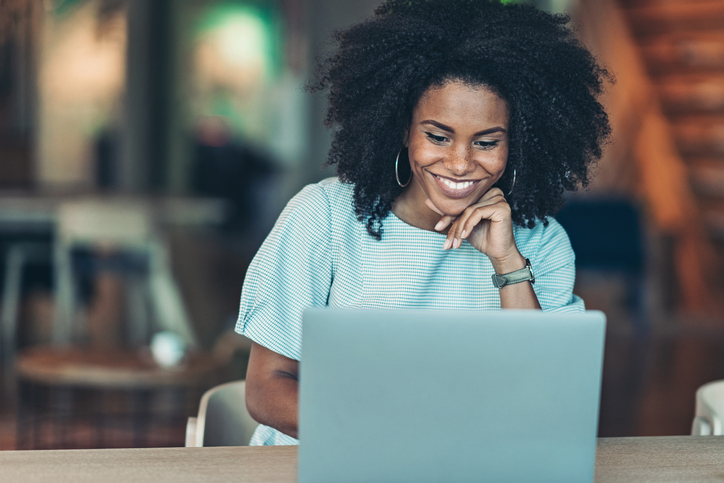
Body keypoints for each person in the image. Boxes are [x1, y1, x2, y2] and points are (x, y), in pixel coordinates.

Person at [236, 0, 611, 446]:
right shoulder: (325, 216)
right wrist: (401, 440)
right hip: (336, 458)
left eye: (486, 142)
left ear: (518, 145)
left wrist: (507, 262)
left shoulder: (540, 244)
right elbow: (266, 389)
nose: (459, 164)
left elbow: (548, 398)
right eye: (437, 136)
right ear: (403, 130)